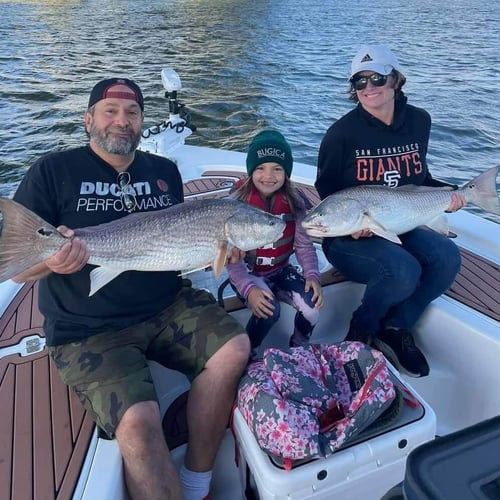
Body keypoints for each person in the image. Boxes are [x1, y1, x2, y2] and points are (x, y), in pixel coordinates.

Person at [12, 77, 250, 500]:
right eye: (111, 111)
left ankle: (197, 481)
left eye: (133, 113)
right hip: (87, 328)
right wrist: (49, 260)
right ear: (89, 120)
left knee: (234, 349)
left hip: (166, 304)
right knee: (140, 423)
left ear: (142, 123)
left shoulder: (164, 172)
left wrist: (222, 251)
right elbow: (16, 272)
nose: (122, 121)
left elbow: (184, 245)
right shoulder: (52, 171)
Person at [315, 44, 466, 378]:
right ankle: (360, 332)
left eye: (377, 78)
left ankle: (395, 328)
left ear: (396, 79)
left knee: (447, 257)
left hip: (402, 218)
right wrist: (353, 225)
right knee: (403, 269)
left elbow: (419, 178)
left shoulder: (419, 121)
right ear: (353, 89)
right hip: (349, 233)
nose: (369, 87)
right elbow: (326, 192)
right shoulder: (340, 135)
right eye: (359, 82)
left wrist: (448, 196)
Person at [227, 130, 324, 359]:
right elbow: (231, 258)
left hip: (281, 270)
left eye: (277, 168)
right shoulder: (235, 203)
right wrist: (248, 290)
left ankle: (299, 351)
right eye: (260, 167)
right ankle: (249, 355)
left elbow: (303, 245)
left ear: (286, 172)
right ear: (251, 170)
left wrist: (312, 275)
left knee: (311, 308)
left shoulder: (295, 201)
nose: (268, 176)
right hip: (247, 274)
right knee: (270, 310)